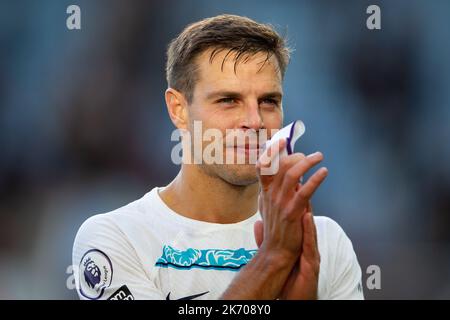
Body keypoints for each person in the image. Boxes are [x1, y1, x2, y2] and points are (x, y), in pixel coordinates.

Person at [72, 14, 363, 300]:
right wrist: (274, 258)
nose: (254, 121)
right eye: (228, 100)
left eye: (268, 101)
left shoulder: (325, 242)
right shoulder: (116, 238)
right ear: (178, 109)